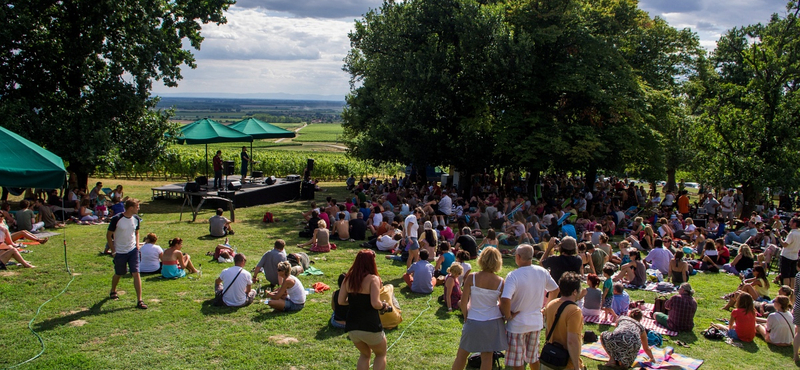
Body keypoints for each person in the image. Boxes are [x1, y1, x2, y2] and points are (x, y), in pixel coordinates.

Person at [500, 244, 558, 370]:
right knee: (533, 357)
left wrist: (508, 316)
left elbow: (505, 299)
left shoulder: (513, 275)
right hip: (535, 322)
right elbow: (555, 290)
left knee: (518, 361)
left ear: (518, 257)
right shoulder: (542, 272)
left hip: (517, 324)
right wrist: (546, 307)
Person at [451, 247, 507, 370]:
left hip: (473, 320)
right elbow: (503, 304)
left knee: (461, 356)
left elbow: (463, 301)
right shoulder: (500, 281)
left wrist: (466, 316)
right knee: (487, 358)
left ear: (481, 260)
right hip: (493, 322)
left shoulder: (472, 277)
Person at [338, 250, 388, 370]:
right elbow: (375, 303)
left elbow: (341, 301)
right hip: (370, 325)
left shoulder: (347, 279)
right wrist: (384, 306)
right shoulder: (373, 279)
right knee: (381, 354)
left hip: (352, 325)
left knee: (365, 355)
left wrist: (355, 302)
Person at [108, 199, 146, 309]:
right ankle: (113, 290)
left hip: (133, 250)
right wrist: (113, 250)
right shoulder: (117, 219)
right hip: (120, 251)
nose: (138, 208)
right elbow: (108, 235)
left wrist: (137, 245)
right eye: (137, 206)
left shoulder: (136, 219)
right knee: (119, 273)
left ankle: (140, 300)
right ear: (131, 208)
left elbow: (137, 232)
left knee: (136, 273)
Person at [542, 272, 584, 370]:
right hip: (565, 362)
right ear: (574, 292)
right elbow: (572, 341)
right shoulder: (574, 311)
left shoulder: (551, 304)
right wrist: (577, 367)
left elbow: (547, 330)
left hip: (550, 357)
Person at [780, 217, 800, 289]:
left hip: (787, 255)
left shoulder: (792, 234)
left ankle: (786, 290)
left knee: (785, 275)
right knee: (792, 275)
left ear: (794, 224)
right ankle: (792, 291)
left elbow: (785, 244)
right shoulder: (798, 233)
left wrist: (779, 237)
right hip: (795, 256)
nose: (789, 223)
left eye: (791, 222)